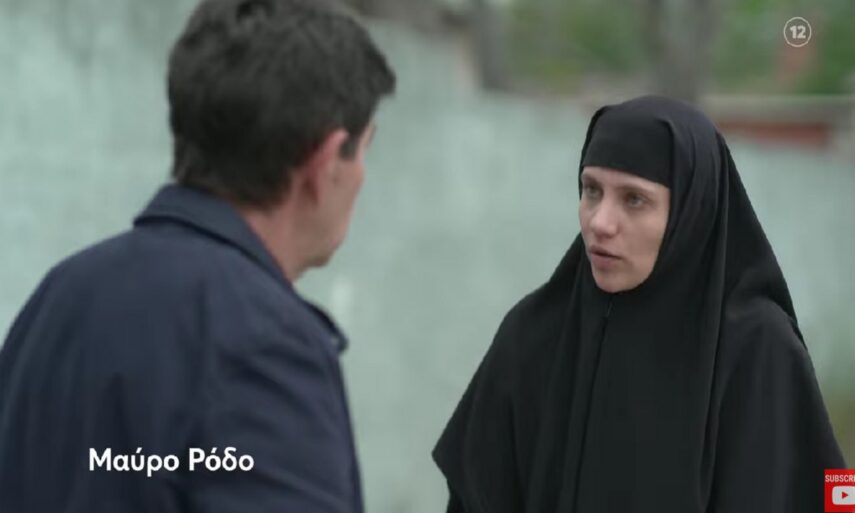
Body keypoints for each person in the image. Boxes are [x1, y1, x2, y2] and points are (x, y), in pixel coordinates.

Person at [0, 0, 394, 511]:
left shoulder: (61, 297)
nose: (363, 175)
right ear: (325, 161)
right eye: (365, 148)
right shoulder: (265, 343)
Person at [432, 95, 845, 512]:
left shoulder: (757, 347)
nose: (600, 222)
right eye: (592, 190)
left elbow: (834, 493)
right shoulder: (533, 336)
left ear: (691, 211)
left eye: (634, 199)